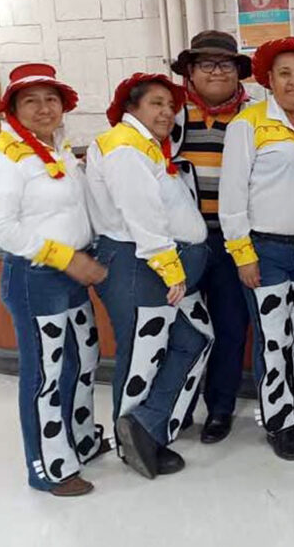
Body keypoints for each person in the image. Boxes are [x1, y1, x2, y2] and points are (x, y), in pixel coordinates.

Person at [0, 63, 110, 496]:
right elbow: (1, 226)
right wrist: (66, 258)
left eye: (50, 99)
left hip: (72, 276)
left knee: (84, 360)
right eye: (30, 101)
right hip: (38, 278)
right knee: (46, 375)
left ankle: (81, 441)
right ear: (13, 107)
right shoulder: (3, 155)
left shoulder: (57, 146)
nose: (43, 108)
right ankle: (48, 467)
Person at [86, 73, 214, 479]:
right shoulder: (124, 147)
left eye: (170, 105)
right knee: (142, 352)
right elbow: (141, 215)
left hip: (156, 263)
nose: (166, 112)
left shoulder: (146, 147)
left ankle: (146, 426)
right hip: (140, 263)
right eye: (156, 103)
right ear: (131, 108)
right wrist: (172, 268)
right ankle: (134, 445)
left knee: (192, 340)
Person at [220, 36, 294, 461]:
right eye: (284, 73)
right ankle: (279, 420)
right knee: (274, 340)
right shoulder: (247, 124)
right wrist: (242, 254)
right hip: (265, 250)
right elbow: (231, 197)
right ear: (269, 80)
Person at [169, 30, 254, 444]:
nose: (216, 71)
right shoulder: (168, 115)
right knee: (179, 327)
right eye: (206, 64)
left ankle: (220, 408)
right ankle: (176, 407)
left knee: (230, 327)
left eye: (225, 64)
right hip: (180, 244)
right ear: (190, 72)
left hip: (235, 244)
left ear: (239, 73)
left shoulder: (256, 117)